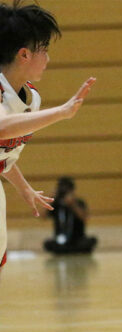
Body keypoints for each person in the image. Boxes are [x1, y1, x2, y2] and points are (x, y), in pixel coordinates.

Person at [0, 0, 96, 271]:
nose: (48, 58)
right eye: (43, 49)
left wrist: (24, 188)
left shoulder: (30, 97)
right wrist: (63, 112)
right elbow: (2, 128)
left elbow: (3, 154)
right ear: (24, 54)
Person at [44, 177, 97, 255]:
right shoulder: (56, 204)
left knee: (91, 241)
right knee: (48, 244)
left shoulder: (79, 202)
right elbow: (43, 216)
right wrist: (50, 200)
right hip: (60, 239)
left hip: (78, 239)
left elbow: (85, 217)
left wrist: (73, 205)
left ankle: (70, 249)